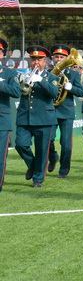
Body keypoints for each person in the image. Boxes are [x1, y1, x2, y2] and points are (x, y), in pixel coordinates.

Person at [15, 46, 60, 188]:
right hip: (25, 117)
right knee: (21, 145)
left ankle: (38, 178)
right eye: (33, 59)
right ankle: (33, 165)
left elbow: (53, 93)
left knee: (41, 150)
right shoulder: (22, 76)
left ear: (45, 61)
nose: (36, 62)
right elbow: (17, 92)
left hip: (44, 119)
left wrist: (40, 80)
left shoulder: (51, 77)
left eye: (39, 59)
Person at [47, 44, 83, 178]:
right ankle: (53, 157)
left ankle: (64, 170)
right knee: (48, 140)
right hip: (50, 110)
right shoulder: (48, 73)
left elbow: (81, 92)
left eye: (62, 57)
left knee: (66, 143)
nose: (59, 59)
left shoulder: (73, 74)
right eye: (56, 57)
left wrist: (71, 88)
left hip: (66, 112)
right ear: (53, 58)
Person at [0, 37, 22, 191]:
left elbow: (16, 91)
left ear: (2, 54)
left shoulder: (9, 73)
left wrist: (0, 83)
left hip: (1, 119)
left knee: (0, 156)